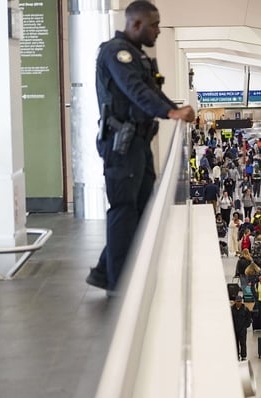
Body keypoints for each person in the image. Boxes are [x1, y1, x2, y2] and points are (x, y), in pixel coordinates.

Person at [86, 0, 196, 294]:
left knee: (140, 208)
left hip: (138, 144)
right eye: (154, 24)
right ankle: (118, 284)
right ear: (136, 24)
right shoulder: (116, 53)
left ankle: (103, 271)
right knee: (124, 210)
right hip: (121, 146)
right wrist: (172, 113)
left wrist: (175, 108)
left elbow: (152, 91)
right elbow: (135, 92)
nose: (158, 31)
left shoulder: (137, 55)